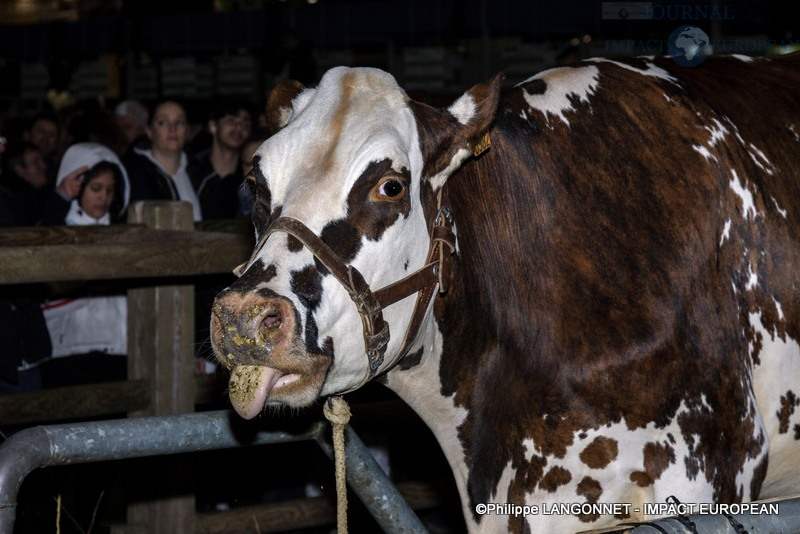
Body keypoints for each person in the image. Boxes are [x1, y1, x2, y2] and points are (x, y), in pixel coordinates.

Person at [38, 142, 131, 388]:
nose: (104, 197)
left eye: (110, 189)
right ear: (77, 187)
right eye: (96, 188)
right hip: (70, 352)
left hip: (118, 350)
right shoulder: (57, 229)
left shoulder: (124, 233)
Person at [0, 135, 52, 393]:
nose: (1, 147)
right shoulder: (17, 202)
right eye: (33, 162)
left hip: (16, 342)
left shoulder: (15, 199)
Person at [122, 99, 202, 221]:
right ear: (149, 131)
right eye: (163, 122)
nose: (172, 129)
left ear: (187, 130)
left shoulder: (200, 172)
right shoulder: (134, 175)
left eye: (179, 122)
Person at [188, 98, 253, 220]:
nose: (239, 128)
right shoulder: (192, 171)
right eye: (231, 121)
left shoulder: (249, 174)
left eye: (245, 124)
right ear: (213, 126)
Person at [1, 141, 52, 226]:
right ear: (19, 169)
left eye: (43, 160)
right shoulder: (15, 203)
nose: (44, 166)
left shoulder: (44, 195)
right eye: (36, 162)